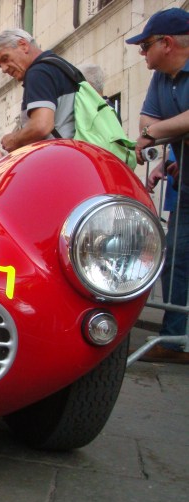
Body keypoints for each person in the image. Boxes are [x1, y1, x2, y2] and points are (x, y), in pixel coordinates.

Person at [125, 7, 189, 364]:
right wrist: (167, 155)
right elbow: (148, 117)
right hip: (186, 182)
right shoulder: (162, 78)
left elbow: (152, 128)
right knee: (176, 257)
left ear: (167, 43)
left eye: (146, 44)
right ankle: (174, 340)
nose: (141, 52)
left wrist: (157, 133)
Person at [0, 29, 79, 153]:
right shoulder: (60, 67)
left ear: (23, 45)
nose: (4, 69)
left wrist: (14, 139)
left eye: (5, 59)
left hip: (57, 157)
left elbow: (42, 125)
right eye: (0, 66)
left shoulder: (38, 73)